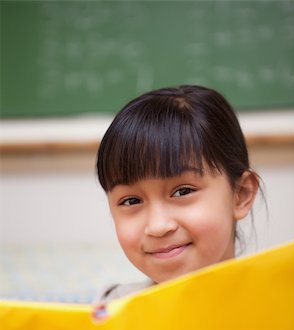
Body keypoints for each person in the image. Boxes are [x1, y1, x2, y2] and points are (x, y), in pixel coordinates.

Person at [94, 85, 260, 308]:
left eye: (183, 191)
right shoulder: (113, 310)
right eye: (131, 201)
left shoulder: (283, 305)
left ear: (241, 195)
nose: (158, 226)